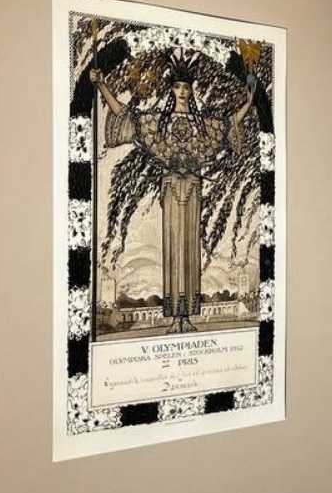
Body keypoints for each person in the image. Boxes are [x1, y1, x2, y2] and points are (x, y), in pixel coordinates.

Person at [91, 60, 254, 329]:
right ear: (171, 89)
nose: (182, 91)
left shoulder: (203, 125)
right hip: (170, 189)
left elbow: (229, 125)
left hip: (193, 189)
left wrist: (249, 103)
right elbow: (124, 114)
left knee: (190, 248)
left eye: (186, 87)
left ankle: (186, 317)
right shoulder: (159, 122)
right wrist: (102, 85)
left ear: (191, 90)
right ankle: (176, 317)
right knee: (173, 247)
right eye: (177, 86)